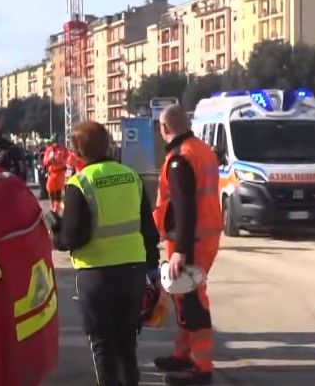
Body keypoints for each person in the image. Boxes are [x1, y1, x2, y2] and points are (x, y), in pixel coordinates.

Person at [53, 121, 161, 386]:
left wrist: (56, 235)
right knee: (127, 345)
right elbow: (149, 228)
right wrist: (153, 269)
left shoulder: (80, 183)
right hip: (133, 273)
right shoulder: (131, 176)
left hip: (97, 274)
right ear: (108, 145)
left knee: (103, 345)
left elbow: (73, 237)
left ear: (78, 153)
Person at [152, 105, 223, 386]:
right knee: (183, 296)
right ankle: (183, 355)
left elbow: (184, 207)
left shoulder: (180, 159)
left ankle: (201, 367)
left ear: (165, 128)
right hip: (202, 235)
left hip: (189, 239)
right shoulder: (201, 149)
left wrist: (180, 249)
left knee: (192, 300)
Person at [43, 141, 70, 213]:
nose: (55, 144)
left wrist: (59, 161)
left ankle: (56, 208)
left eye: (56, 141)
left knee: (58, 191)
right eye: (54, 142)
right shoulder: (49, 150)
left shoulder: (63, 149)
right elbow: (45, 161)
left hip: (60, 173)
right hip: (51, 173)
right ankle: (52, 206)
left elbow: (68, 159)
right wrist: (49, 159)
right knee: (50, 190)